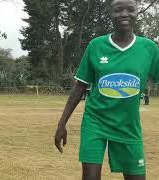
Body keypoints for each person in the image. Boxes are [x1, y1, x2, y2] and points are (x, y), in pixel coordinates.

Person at [54, 0, 159, 179]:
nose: (124, 14)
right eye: (118, 10)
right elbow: (80, 86)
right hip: (95, 123)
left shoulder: (149, 48)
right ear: (111, 14)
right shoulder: (96, 45)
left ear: (136, 13)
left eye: (130, 9)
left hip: (128, 126)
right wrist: (62, 123)